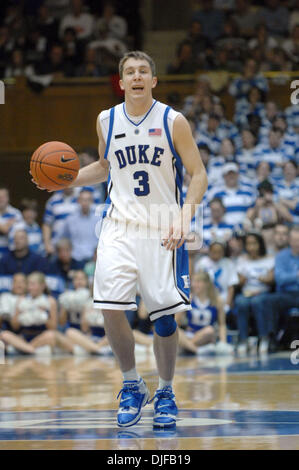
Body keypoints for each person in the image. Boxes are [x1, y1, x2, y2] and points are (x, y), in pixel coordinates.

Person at [33, 50, 208, 428]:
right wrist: (64, 179)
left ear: (154, 81)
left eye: (144, 70)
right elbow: (104, 166)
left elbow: (198, 175)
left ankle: (165, 390)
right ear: (122, 81)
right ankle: (132, 383)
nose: (137, 76)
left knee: (163, 318)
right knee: (110, 304)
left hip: (163, 226)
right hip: (118, 225)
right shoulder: (106, 120)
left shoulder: (173, 120)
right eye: (130, 72)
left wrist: (184, 216)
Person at [1, 272, 74, 355]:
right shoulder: (22, 300)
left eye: (33, 285)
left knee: (51, 335)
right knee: (4, 334)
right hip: (25, 336)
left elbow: (53, 327)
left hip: (42, 337)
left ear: (42, 286)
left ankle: (24, 349)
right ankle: (31, 350)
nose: (30, 288)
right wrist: (21, 313)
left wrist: (42, 315)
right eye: (29, 284)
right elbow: (15, 326)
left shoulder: (50, 301)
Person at [235, 232, 274, 356]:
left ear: (260, 244)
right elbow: (239, 282)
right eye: (248, 244)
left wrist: (263, 279)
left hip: (263, 292)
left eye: (254, 244)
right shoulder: (242, 259)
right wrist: (243, 280)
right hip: (247, 292)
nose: (251, 247)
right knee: (241, 302)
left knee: (258, 302)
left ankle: (264, 338)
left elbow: (271, 280)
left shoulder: (269, 258)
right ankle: (243, 339)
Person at [61, 189, 99, 263]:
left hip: (94, 259)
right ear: (78, 201)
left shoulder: (98, 220)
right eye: (83, 200)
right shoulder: (70, 219)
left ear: (92, 201)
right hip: (75, 259)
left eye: (88, 200)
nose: (85, 202)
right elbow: (63, 238)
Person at [0, 187, 23, 260]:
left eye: (3, 196)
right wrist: (9, 224)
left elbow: (20, 232)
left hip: (11, 255)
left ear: (8, 198)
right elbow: (4, 230)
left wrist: (5, 227)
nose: (1, 199)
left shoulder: (16, 213)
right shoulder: (14, 216)